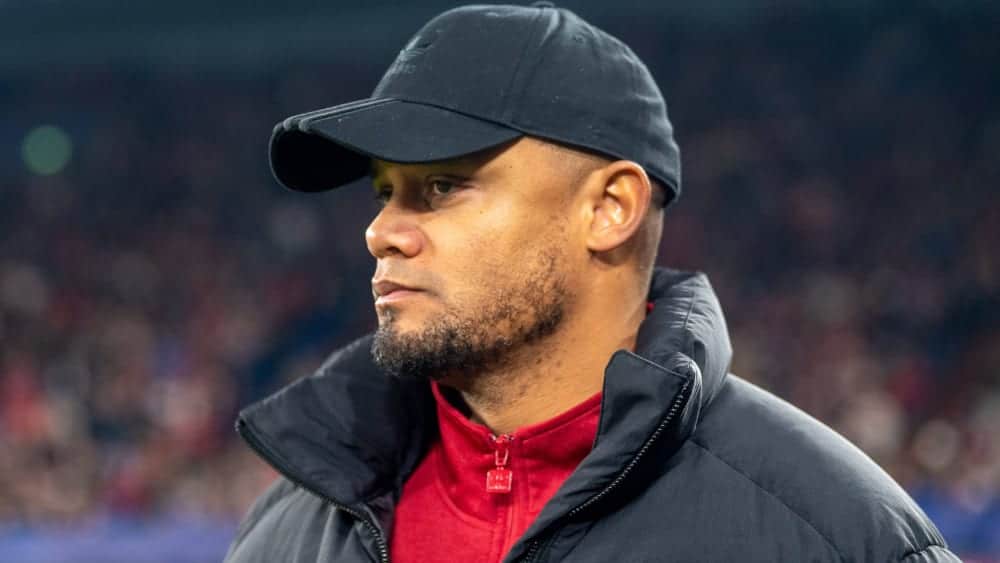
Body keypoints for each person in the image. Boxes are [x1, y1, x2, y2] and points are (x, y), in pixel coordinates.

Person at [225, 3, 958, 562]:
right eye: (385, 191)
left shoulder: (835, 533)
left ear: (609, 209)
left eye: (442, 185)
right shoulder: (286, 534)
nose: (381, 230)